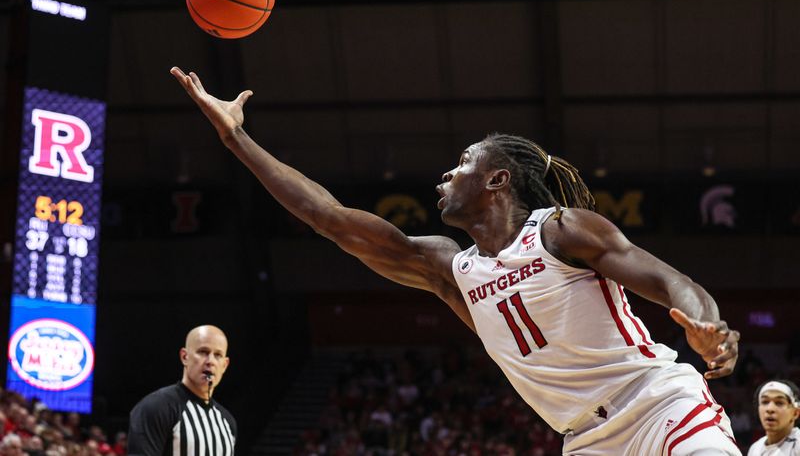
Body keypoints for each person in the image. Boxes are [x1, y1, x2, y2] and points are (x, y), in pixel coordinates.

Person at [171, 67, 742, 455]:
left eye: (463, 162)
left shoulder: (563, 228)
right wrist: (236, 140)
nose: (446, 174)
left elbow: (673, 282)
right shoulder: (451, 269)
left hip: (660, 406)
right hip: (586, 440)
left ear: (497, 179)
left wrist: (708, 324)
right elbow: (330, 217)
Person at [128, 325, 236, 456]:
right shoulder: (155, 408)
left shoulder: (227, 422)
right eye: (203, 352)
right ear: (184, 357)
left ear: (224, 365)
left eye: (218, 355)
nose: (210, 361)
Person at [747, 380, 800, 455]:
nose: (770, 409)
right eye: (765, 402)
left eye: (779, 403)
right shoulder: (755, 448)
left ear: (795, 413)